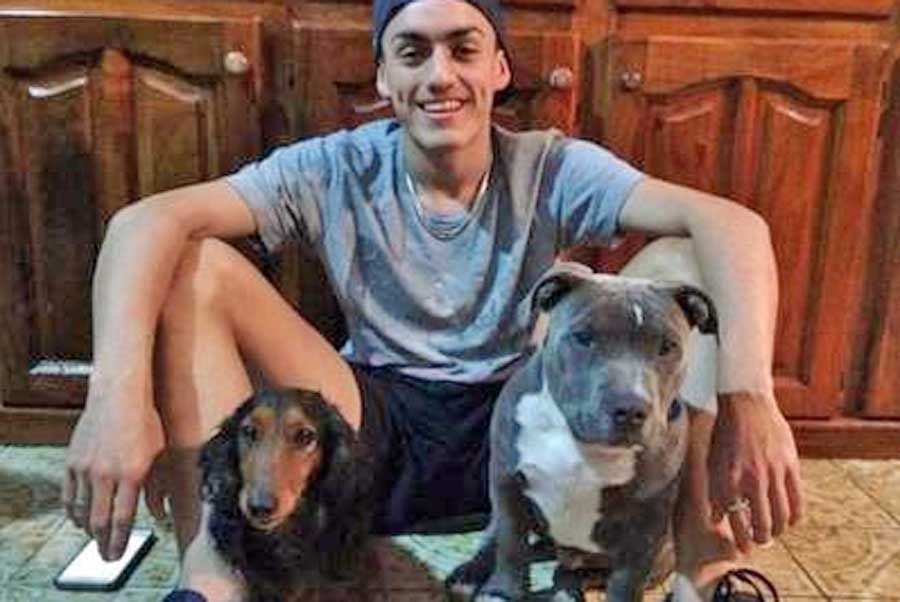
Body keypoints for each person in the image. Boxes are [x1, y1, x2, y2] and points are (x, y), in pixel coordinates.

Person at [62, 0, 803, 599]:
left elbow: (733, 224)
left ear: (499, 68)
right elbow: (144, 222)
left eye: (463, 48)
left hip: (524, 419)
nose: (439, 74)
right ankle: (213, 573)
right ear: (383, 76)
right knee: (195, 264)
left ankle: (704, 561)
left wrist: (750, 398)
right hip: (374, 417)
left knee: (684, 258)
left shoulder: (550, 165)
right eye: (413, 52)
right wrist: (116, 400)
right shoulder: (334, 166)